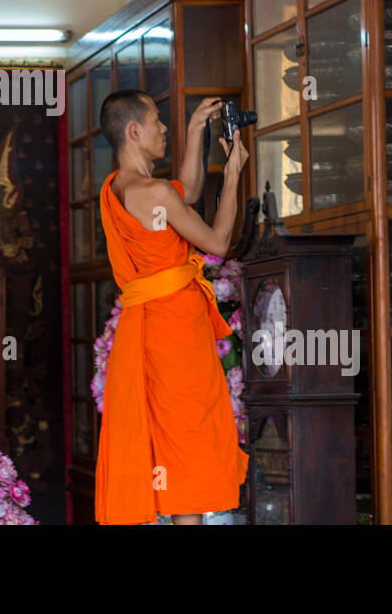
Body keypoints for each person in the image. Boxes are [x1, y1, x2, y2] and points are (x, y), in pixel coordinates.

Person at [94, 90, 250, 525]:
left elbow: (188, 192)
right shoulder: (155, 192)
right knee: (188, 439)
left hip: (148, 329)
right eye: (158, 121)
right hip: (175, 334)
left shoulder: (119, 189)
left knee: (172, 442)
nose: (163, 128)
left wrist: (196, 129)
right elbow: (217, 243)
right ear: (133, 131)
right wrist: (234, 174)